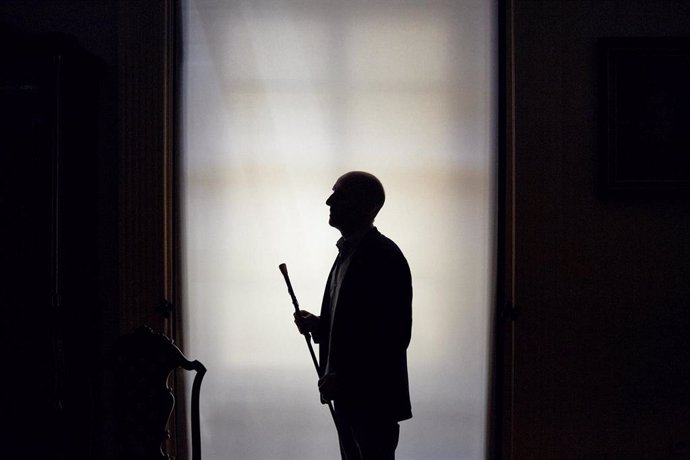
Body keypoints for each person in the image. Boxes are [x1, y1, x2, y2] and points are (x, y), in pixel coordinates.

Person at [294, 171, 413, 460]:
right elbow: (359, 327)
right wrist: (320, 327)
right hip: (353, 399)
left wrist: (346, 379)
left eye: (340, 195)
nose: (329, 201)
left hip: (372, 401)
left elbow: (393, 337)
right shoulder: (351, 252)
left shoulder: (384, 257)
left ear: (368, 206)